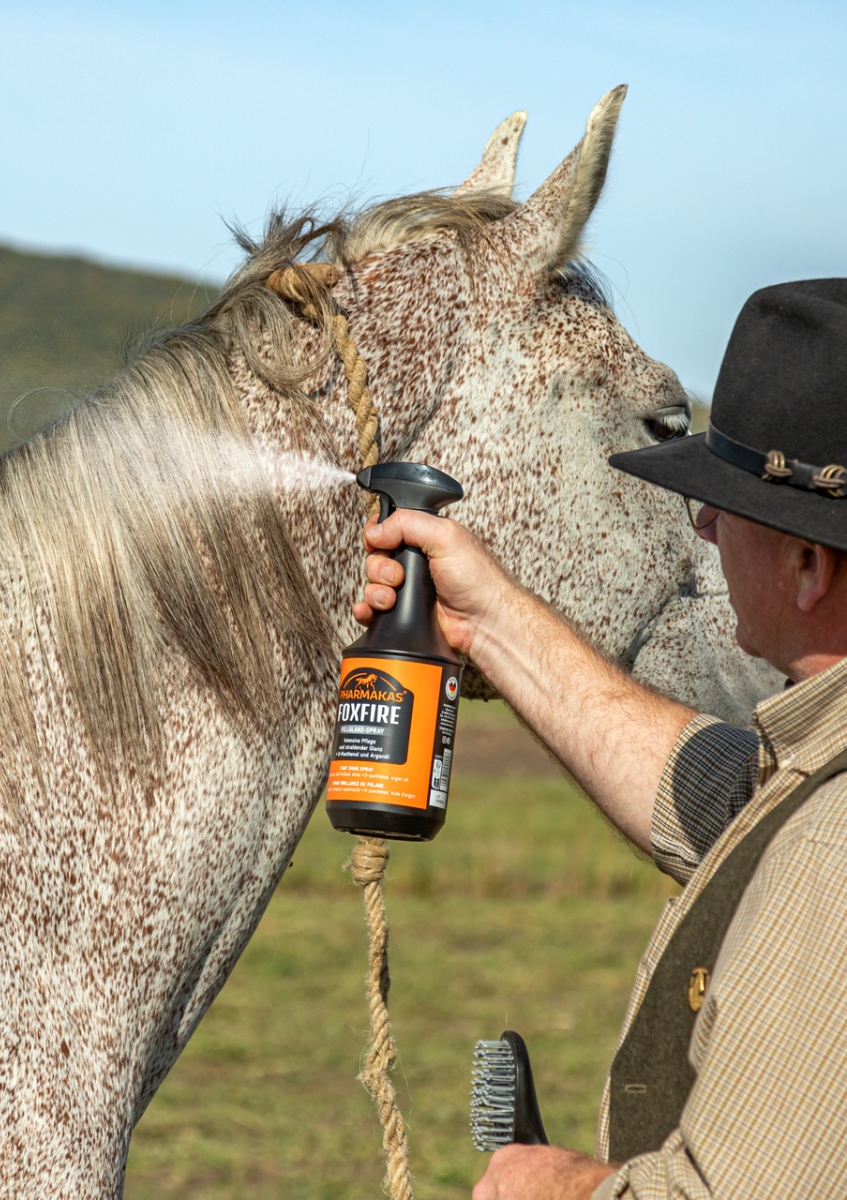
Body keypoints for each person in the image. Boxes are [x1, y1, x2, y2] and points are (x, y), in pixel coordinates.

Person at [354, 279, 847, 1199]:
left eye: (726, 503)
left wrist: (549, 1186)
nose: (703, 524)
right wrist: (489, 621)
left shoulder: (831, 846)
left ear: (809, 564)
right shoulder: (814, 786)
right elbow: (722, 801)